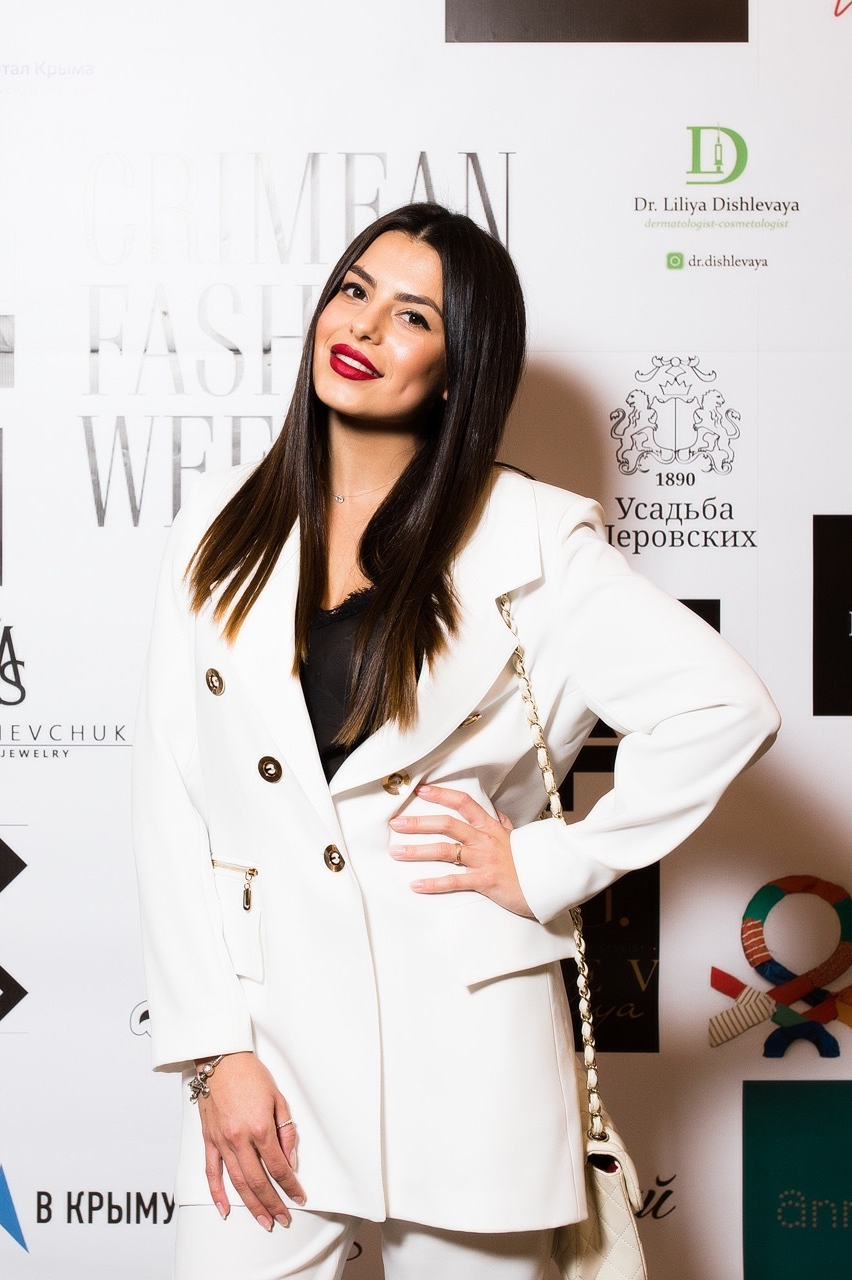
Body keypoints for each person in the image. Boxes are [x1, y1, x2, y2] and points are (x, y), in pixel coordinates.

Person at [130, 202, 780, 1280]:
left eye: (412, 315)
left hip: (469, 1054)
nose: (364, 325)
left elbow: (725, 707)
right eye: (354, 291)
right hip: (268, 1047)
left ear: (457, 367)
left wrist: (547, 862)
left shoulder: (533, 539)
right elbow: (171, 802)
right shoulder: (217, 528)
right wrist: (213, 1053)